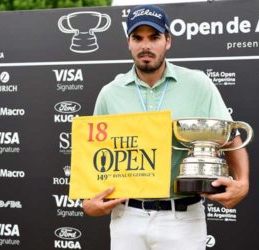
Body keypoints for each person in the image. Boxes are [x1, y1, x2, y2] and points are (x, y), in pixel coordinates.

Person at [82, 5, 250, 250]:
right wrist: (88, 200)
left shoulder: (198, 84)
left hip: (181, 217)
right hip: (127, 216)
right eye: (137, 38)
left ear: (168, 41)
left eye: (154, 37)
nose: (145, 46)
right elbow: (95, 153)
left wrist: (242, 182)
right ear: (128, 42)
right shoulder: (110, 93)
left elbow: (230, 137)